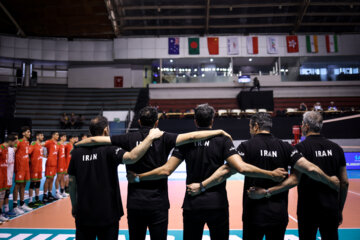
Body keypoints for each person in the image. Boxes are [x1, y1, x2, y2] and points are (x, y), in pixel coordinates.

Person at [126, 104, 288, 240]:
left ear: (195, 121)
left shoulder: (187, 143)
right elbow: (239, 167)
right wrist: (271, 174)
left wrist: (139, 177)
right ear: (212, 120)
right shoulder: (223, 140)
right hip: (217, 205)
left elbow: (166, 170)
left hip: (192, 204)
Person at [76, 106, 237, 240]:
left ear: (139, 121)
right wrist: (219, 132)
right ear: (157, 122)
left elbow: (95, 140)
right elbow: (193, 136)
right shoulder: (164, 137)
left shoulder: (127, 138)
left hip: (135, 202)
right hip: (159, 203)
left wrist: (78, 144)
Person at [191, 112, 340, 240]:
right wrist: (330, 181)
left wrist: (202, 185)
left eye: (250, 126)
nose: (250, 130)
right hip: (278, 215)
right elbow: (308, 171)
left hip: (253, 214)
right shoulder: (286, 147)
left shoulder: (246, 146)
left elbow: (225, 171)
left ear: (256, 126)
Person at [248, 111, 349, 240]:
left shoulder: (300, 148)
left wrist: (267, 191)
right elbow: (344, 182)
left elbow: (295, 179)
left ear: (306, 126)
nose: (301, 127)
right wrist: (339, 209)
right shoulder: (336, 148)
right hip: (331, 208)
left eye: (302, 124)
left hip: (308, 209)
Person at [68, 116, 164, 240]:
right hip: (108, 212)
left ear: (90, 131)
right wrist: (150, 138)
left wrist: (75, 206)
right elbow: (132, 157)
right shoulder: (111, 149)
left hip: (84, 212)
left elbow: (71, 182)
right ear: (106, 130)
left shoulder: (76, 152)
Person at [13, 126, 33, 214]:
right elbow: (12, 151)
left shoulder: (28, 142)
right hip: (20, 167)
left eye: (30, 132)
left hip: (26, 167)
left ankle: (22, 203)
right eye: (28, 132)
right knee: (17, 185)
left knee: (24, 185)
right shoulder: (19, 142)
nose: (30, 133)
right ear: (23, 133)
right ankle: (14, 206)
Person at [0, 136, 16, 222]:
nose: (15, 144)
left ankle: (1, 213)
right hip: (0, 174)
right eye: (14, 142)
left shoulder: (6, 149)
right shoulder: (1, 148)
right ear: (10, 141)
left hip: (4, 174)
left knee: (2, 194)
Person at [28, 132, 45, 208]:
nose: (43, 136)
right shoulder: (33, 144)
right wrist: (30, 162)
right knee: (33, 183)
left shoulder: (40, 146)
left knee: (38, 182)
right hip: (34, 167)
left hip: (39, 167)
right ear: (37, 136)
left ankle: (37, 199)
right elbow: (28, 153)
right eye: (41, 135)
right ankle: (30, 201)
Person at [43, 131, 59, 203]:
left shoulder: (57, 144)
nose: (58, 136)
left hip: (54, 163)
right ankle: (45, 195)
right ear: (53, 135)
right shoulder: (49, 142)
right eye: (56, 135)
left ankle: (49, 194)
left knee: (52, 179)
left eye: (58, 135)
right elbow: (41, 145)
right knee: (48, 179)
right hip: (50, 163)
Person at [55, 133, 68, 199]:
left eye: (65, 136)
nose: (65, 137)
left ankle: (62, 191)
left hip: (63, 163)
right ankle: (57, 192)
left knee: (62, 177)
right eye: (64, 136)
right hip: (59, 163)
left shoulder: (63, 145)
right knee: (58, 178)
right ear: (61, 138)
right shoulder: (58, 144)